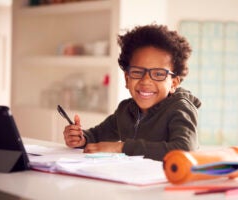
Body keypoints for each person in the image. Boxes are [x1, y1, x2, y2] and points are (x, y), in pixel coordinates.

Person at [63, 24, 201, 161]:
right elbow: (96, 135)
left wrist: (121, 148)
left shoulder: (180, 109)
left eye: (159, 74)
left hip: (169, 180)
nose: (146, 81)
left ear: (174, 83)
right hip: (134, 179)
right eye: (137, 72)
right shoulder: (126, 110)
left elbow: (185, 150)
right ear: (127, 79)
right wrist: (81, 138)